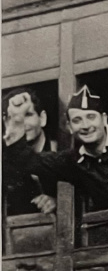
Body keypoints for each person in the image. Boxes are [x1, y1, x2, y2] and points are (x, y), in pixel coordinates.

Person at [3, 85, 108, 212]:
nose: (85, 125)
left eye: (91, 117)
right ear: (70, 127)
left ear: (104, 119)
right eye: (77, 120)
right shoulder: (72, 160)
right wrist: (16, 121)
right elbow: (28, 160)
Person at [2, 87, 57, 215]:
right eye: (14, 118)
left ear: (42, 118)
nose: (22, 123)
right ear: (5, 124)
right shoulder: (4, 161)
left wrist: (60, 201)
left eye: (27, 115)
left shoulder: (61, 150)